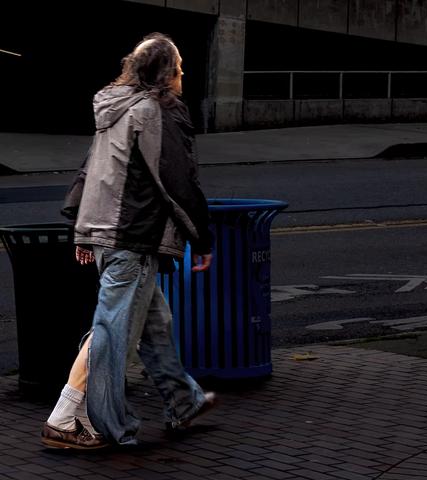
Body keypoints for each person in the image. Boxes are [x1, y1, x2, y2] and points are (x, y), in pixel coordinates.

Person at [41, 32, 217, 450]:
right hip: (134, 238)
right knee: (111, 332)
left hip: (109, 234)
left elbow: (92, 171)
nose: (183, 74)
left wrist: (83, 229)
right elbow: (180, 182)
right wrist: (203, 240)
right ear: (168, 72)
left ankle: (183, 401)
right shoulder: (157, 112)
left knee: (155, 325)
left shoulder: (112, 106)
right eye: (180, 67)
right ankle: (73, 418)